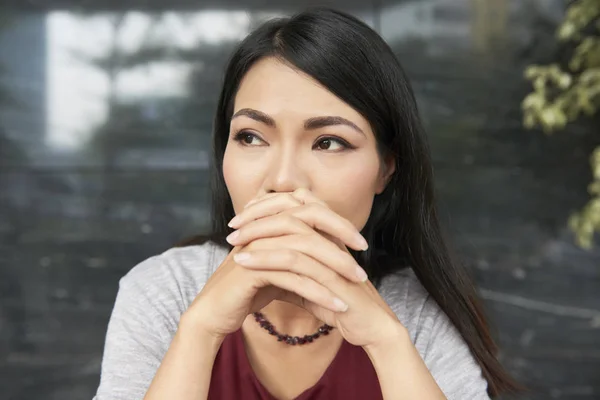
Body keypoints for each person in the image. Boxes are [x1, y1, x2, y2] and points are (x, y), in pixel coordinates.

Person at [93, 7, 520, 400]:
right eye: (251, 137)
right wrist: (200, 331)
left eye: (328, 142)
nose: (282, 180)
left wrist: (386, 342)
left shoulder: (420, 315)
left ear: (386, 167)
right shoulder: (164, 294)